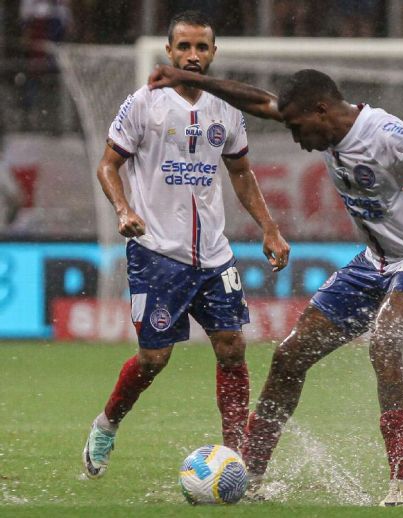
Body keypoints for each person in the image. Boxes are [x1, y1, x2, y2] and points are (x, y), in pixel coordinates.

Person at [148, 66, 403, 506]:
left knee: (385, 346)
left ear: (321, 109)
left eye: (296, 126)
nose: (295, 138)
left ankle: (402, 485)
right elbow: (257, 102)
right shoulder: (315, 119)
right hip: (374, 263)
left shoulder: (386, 132)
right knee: (289, 356)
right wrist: (187, 77)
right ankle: (250, 475)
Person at [82, 11, 290, 480]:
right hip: (157, 251)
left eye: (201, 48)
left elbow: (240, 172)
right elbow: (108, 165)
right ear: (169, 52)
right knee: (155, 358)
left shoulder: (227, 108)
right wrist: (123, 210)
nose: (193, 56)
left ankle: (235, 459)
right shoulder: (143, 103)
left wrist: (269, 229)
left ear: (213, 53)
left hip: (214, 255)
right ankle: (107, 423)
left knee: (232, 346)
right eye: (184, 48)